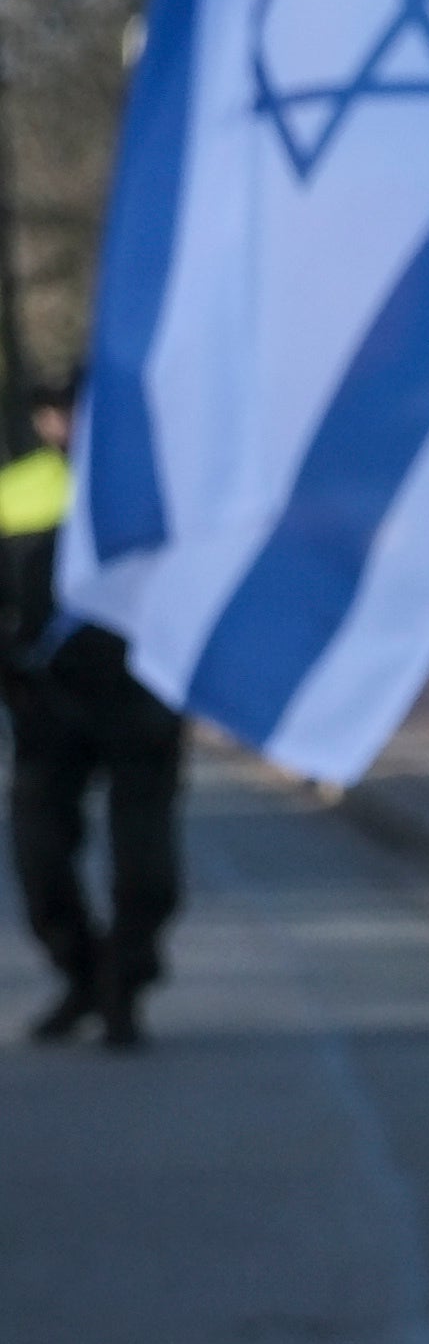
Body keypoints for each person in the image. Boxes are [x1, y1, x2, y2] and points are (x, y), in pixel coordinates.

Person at [8, 374, 180, 1051]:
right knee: (40, 860)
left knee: (149, 872)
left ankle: (123, 984)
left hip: (140, 699)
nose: (67, 424)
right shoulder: (16, 493)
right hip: (45, 705)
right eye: (57, 411)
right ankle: (81, 973)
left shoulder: (163, 495)